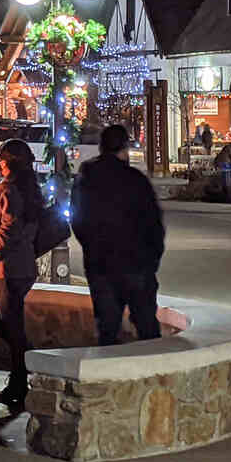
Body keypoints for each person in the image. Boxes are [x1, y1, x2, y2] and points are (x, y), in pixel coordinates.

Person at [72, 125, 165, 347]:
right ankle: (155, 373)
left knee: (107, 328)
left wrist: (91, 248)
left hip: (100, 265)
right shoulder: (135, 180)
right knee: (146, 327)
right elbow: (154, 224)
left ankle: (106, 375)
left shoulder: (86, 178)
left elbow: (78, 220)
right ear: (124, 149)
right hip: (136, 264)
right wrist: (150, 261)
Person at [0, 138, 43, 407]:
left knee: (9, 325)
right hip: (22, 267)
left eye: (1, 158)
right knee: (3, 322)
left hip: (8, 269)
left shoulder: (6, 189)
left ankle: (21, 380)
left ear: (7, 162)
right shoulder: (29, 188)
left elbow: (7, 229)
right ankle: (25, 371)